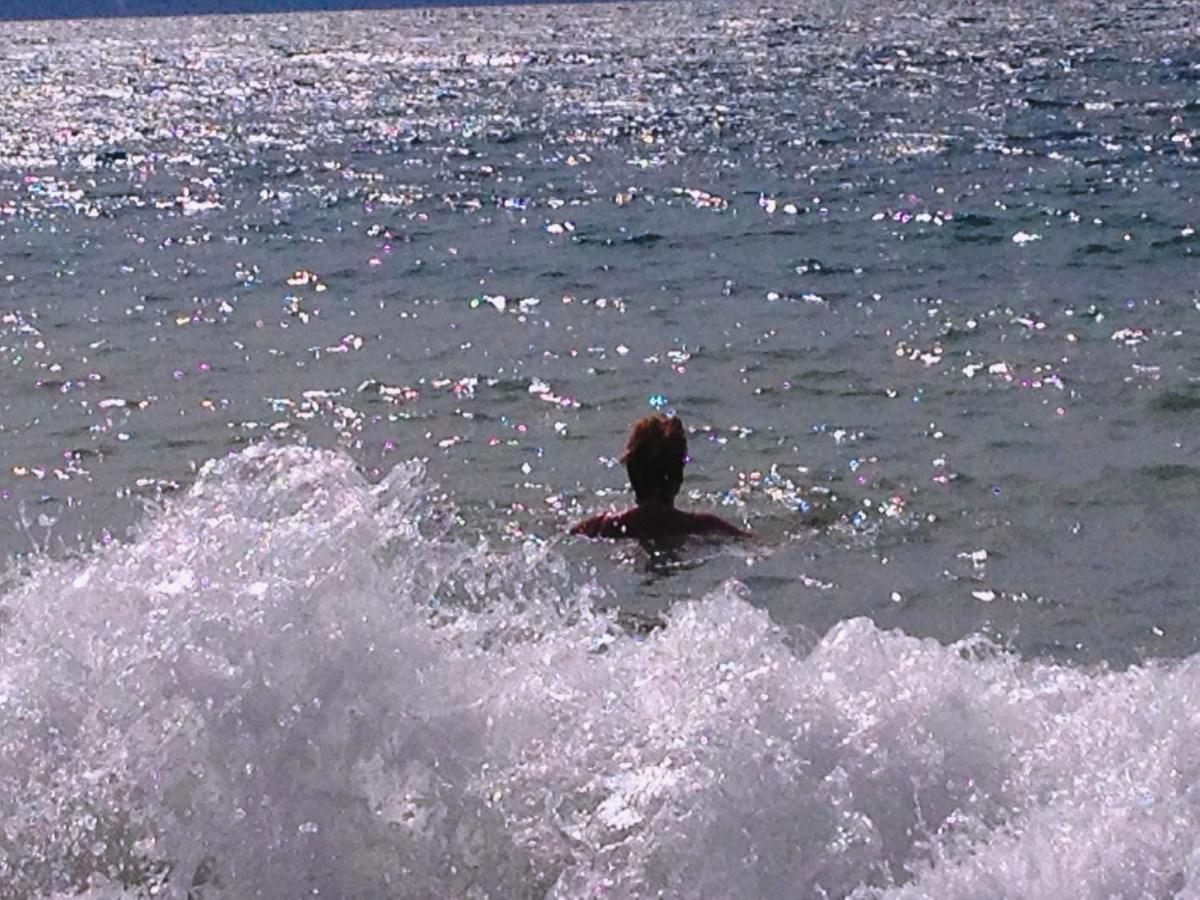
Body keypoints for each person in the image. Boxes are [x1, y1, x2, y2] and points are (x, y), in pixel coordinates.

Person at [570, 414, 750, 540]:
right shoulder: (703, 527)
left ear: (631, 471)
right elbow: (755, 543)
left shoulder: (600, 527)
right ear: (678, 476)